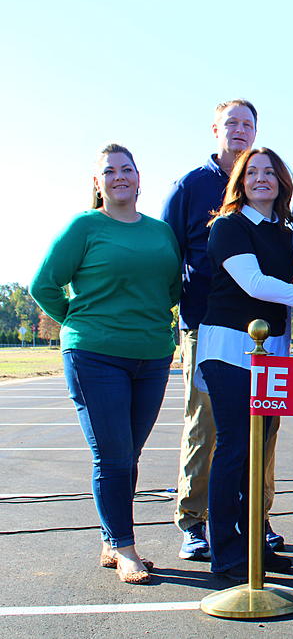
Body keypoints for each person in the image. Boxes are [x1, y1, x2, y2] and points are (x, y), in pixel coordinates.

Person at [195, 147, 293, 580]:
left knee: (258, 454)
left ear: (281, 182)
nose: (261, 178)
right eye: (252, 172)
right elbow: (256, 285)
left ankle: (254, 546)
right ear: (240, 181)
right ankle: (225, 552)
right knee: (235, 449)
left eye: (270, 172)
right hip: (228, 351)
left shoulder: (284, 233)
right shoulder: (227, 226)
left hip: (274, 354)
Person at [30, 144, 180, 585]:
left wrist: (141, 316)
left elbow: (170, 288)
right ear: (98, 183)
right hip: (95, 355)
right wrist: (80, 320)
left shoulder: (160, 231)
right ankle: (125, 549)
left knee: (128, 454)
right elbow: (44, 285)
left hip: (152, 356)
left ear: (139, 177)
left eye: (126, 169)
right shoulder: (84, 226)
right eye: (109, 171)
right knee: (113, 457)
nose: (119, 177)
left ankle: (110, 535)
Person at [163, 99, 283, 560]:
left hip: (263, 335)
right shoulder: (191, 186)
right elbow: (170, 256)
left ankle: (258, 521)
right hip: (207, 329)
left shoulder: (269, 193)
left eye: (247, 124)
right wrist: (179, 323)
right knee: (208, 429)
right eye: (231, 123)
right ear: (215, 128)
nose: (239, 130)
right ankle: (195, 522)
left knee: (261, 434)